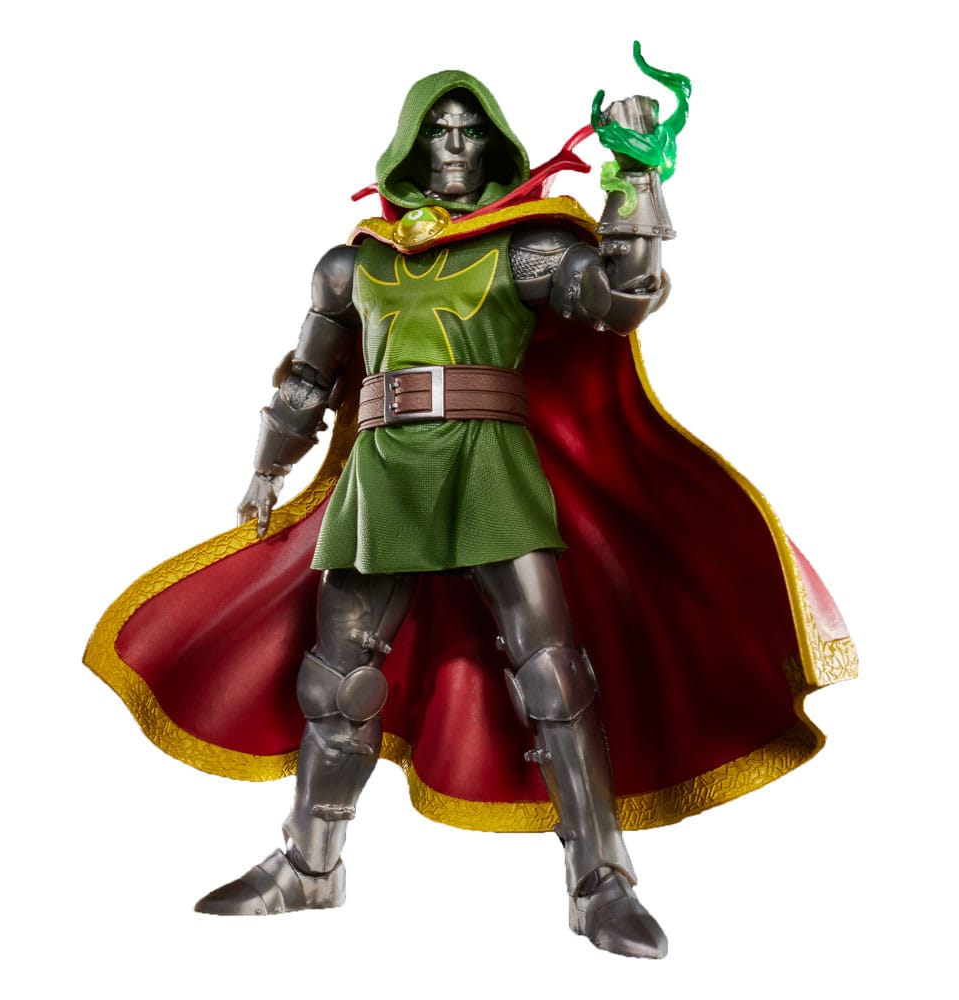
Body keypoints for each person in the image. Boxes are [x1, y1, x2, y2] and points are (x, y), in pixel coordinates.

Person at [85, 50, 857, 961]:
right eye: (438, 131)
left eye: (469, 130)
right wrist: (267, 467)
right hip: (382, 472)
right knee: (337, 679)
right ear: (409, 146)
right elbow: (307, 380)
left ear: (493, 144)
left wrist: (635, 179)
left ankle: (599, 881)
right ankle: (310, 862)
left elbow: (620, 297)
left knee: (552, 674)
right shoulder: (354, 264)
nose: (454, 146)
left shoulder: (521, 246)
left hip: (491, 461)